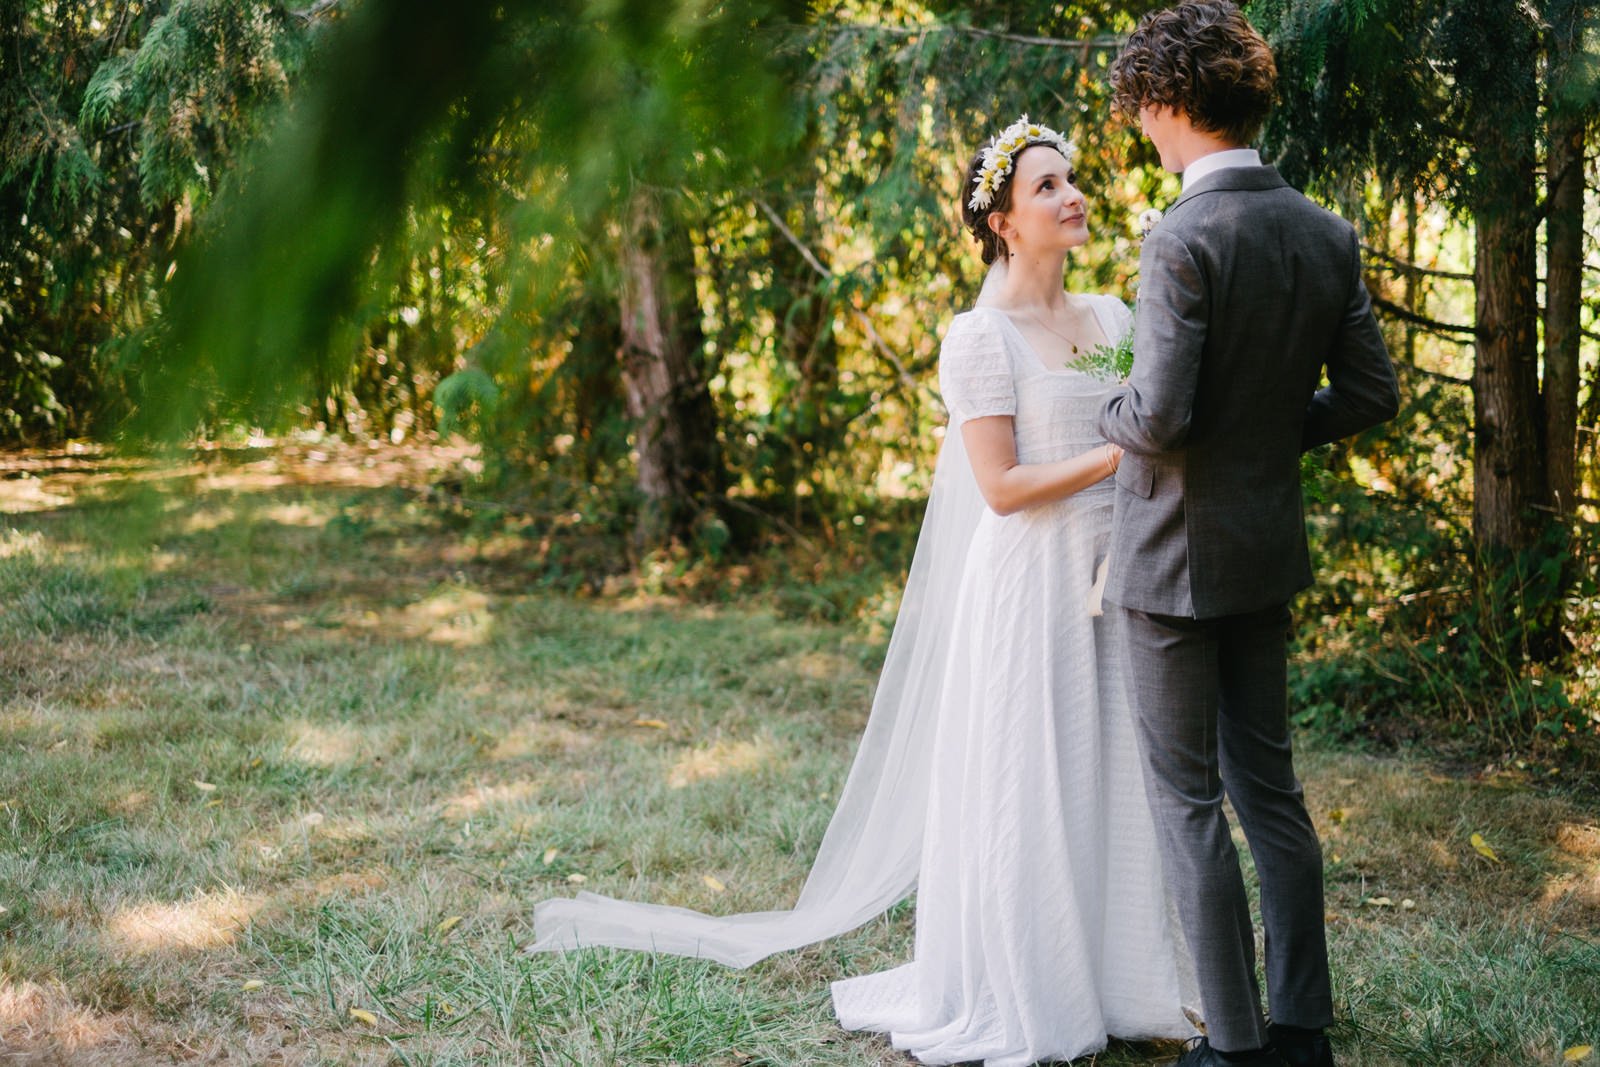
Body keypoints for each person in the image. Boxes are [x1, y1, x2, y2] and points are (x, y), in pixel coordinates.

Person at [528, 116, 1197, 1065]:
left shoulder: (1115, 320)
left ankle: (1118, 980)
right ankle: (1029, 986)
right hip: (1026, 587)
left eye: (1070, 179)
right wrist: (1114, 456)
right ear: (1003, 221)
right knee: (1033, 783)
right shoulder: (978, 339)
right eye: (1045, 187)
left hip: (1110, 578)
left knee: (1106, 778)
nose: (1071, 195)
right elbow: (1002, 491)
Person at [1098, 5, 1401, 1067]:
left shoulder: (1182, 235)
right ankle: (1301, 1032)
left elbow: (1160, 417)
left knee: (1185, 799)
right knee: (1268, 789)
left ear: (1173, 103)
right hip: (1263, 549)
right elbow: (1370, 390)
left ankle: (1230, 1045)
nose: (1139, 125)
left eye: (1140, 106)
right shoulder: (1322, 230)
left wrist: (1104, 408)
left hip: (1169, 560)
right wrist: (1273, 436)